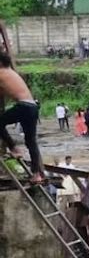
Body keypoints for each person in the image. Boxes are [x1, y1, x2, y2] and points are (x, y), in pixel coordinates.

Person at [0, 51, 43, 181]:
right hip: (32, 106)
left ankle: (13, 147)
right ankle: (37, 174)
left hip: (23, 106)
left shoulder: (1, 73)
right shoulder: (11, 72)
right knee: (31, 142)